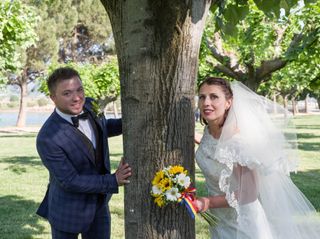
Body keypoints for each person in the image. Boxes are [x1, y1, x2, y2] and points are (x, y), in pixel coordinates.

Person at [194, 77, 320, 238]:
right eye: (202, 96)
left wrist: (207, 202)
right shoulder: (211, 131)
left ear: (228, 102)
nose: (206, 102)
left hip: (243, 224)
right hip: (220, 220)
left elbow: (248, 194)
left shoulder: (239, 142)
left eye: (214, 97)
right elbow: (212, 149)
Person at [36, 67, 131, 239]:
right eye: (67, 93)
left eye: (79, 89)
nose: (77, 97)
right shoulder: (48, 137)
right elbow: (70, 180)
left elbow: (102, 127)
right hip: (68, 211)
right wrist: (113, 180)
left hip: (100, 206)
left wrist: (131, 121)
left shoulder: (90, 104)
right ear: (53, 98)